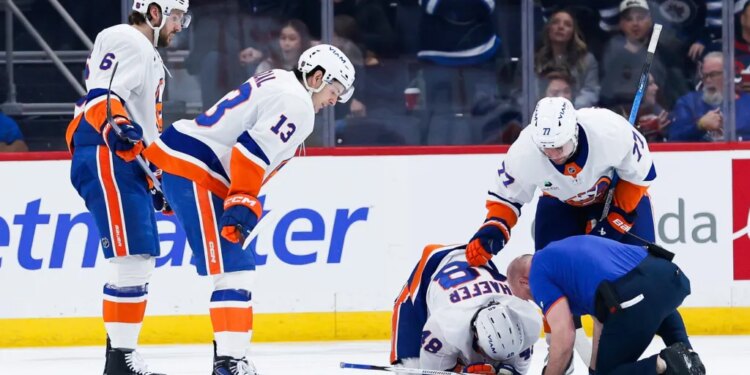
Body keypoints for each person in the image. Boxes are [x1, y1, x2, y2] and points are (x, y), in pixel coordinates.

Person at [143, 44, 355, 375]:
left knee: (235, 269)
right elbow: (249, 152)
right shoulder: (297, 104)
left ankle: (228, 360)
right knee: (235, 271)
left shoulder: (280, 79)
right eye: (334, 89)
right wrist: (242, 199)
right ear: (316, 78)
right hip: (198, 173)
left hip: (188, 166)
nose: (334, 100)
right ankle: (230, 363)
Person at [464, 96, 692, 368]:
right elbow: (506, 199)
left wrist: (613, 224)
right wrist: (493, 230)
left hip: (618, 197)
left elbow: (639, 176)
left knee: (642, 275)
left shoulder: (609, 130)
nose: (554, 154)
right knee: (550, 274)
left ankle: (682, 349)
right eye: (547, 149)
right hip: (562, 203)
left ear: (573, 131)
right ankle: (560, 352)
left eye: (559, 146)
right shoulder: (524, 152)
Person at [65, 1, 190, 374]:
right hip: (107, 153)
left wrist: (156, 175)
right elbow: (101, 97)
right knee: (132, 260)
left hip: (122, 159)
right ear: (154, 13)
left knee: (137, 260)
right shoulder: (125, 38)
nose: (180, 26)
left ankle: (118, 359)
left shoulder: (146, 52)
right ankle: (121, 363)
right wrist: (115, 126)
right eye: (176, 17)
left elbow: (142, 126)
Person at [506, 236, 705, 375]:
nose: (535, 300)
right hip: (668, 275)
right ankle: (689, 356)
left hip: (635, 294)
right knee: (656, 305)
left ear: (524, 281)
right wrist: (594, 369)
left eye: (527, 297)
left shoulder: (538, 275)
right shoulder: (561, 252)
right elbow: (601, 316)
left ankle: (665, 362)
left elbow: (564, 337)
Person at [391, 244, 541, 375]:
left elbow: (518, 370)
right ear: (474, 333)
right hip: (431, 270)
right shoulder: (443, 327)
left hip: (478, 264)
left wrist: (506, 371)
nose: (489, 360)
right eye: (485, 354)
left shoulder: (525, 325)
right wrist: (460, 370)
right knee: (410, 369)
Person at [669, 52, 750, 141]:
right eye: (704, 75)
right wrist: (699, 126)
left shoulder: (747, 104)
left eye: (713, 74)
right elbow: (673, 139)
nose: (708, 80)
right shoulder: (688, 103)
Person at [535, 9, 600, 108]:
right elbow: (521, 93)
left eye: (567, 24)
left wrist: (569, 109)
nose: (560, 27)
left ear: (573, 32)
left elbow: (591, 92)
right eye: (555, 22)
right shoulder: (532, 60)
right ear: (548, 28)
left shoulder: (587, 60)